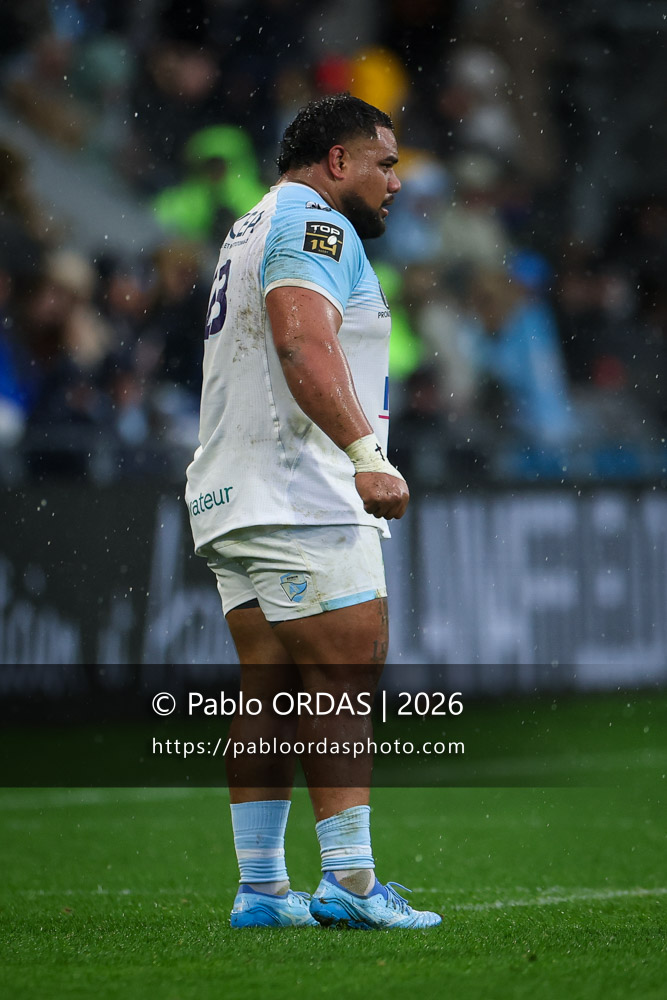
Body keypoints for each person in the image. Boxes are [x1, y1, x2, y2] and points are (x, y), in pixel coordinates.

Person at [185, 93, 441, 931]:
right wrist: (367, 456)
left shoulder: (252, 223)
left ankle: (261, 888)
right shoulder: (315, 225)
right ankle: (352, 883)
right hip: (300, 488)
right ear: (338, 161)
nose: (395, 182)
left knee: (270, 690)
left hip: (232, 490)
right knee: (342, 675)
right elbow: (301, 338)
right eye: (385, 162)